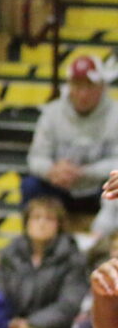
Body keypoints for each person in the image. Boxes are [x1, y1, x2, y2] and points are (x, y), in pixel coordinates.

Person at [0, 197, 85, 328]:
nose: (41, 223)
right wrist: (7, 323)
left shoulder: (72, 258)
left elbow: (68, 305)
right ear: (26, 222)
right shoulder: (11, 254)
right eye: (36, 218)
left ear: (59, 225)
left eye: (49, 219)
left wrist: (30, 324)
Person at [23, 54, 118, 213]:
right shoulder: (52, 113)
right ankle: (34, 235)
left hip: (99, 188)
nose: (83, 94)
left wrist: (85, 172)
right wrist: (52, 170)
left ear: (102, 87)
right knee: (31, 185)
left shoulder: (115, 115)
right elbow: (35, 158)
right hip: (60, 186)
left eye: (89, 86)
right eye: (77, 86)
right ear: (68, 86)